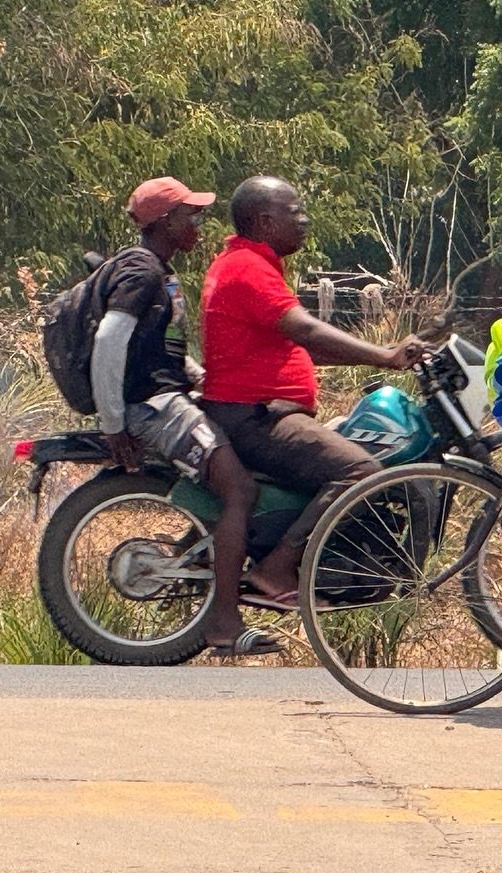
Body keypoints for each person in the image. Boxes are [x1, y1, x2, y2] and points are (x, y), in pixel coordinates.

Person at [198, 175, 425, 602]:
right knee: (361, 472)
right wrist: (386, 356)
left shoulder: (248, 262)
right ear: (265, 222)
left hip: (257, 411)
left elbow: (306, 345)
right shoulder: (247, 268)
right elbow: (305, 329)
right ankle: (278, 568)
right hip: (256, 416)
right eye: (294, 212)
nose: (304, 220)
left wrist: (384, 354)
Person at [91, 176, 282, 657]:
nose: (197, 222)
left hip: (167, 396)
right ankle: (224, 623)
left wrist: (202, 378)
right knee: (239, 489)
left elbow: (163, 351)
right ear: (163, 222)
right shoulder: (141, 270)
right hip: (153, 407)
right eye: (188, 214)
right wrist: (113, 422)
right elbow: (109, 342)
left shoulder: (160, 270)